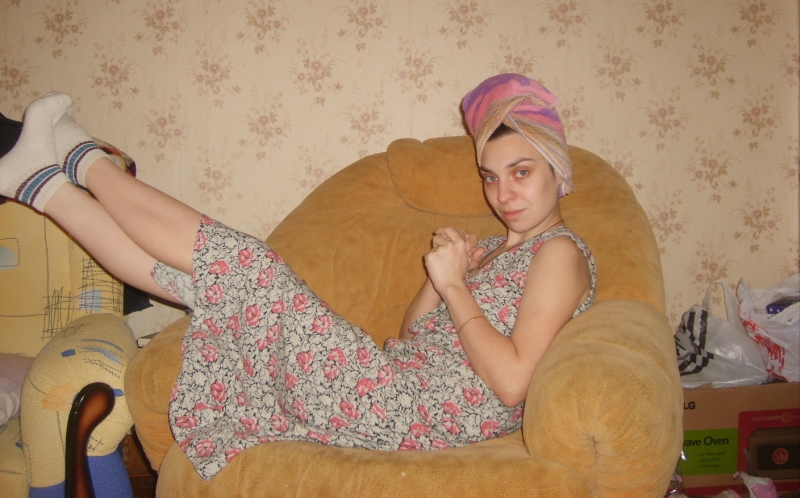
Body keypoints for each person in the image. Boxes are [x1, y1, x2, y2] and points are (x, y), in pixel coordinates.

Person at [0, 74, 595, 481]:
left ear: (557, 169)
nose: (502, 192)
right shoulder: (488, 250)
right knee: (199, 283)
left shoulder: (559, 253)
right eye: (490, 176)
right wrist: (444, 277)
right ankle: (38, 184)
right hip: (389, 385)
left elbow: (512, 382)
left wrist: (458, 288)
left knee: (250, 266)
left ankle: (83, 157)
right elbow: (414, 336)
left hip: (413, 415)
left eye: (521, 172)